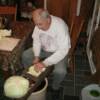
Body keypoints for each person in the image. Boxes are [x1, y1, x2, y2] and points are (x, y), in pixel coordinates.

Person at [22, 8, 71, 92]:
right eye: (36, 24)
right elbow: (36, 41)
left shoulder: (60, 26)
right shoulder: (39, 24)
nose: (38, 27)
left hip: (58, 51)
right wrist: (37, 56)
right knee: (25, 55)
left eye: (40, 24)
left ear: (48, 20)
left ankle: (55, 87)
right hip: (44, 49)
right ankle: (32, 77)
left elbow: (63, 50)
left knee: (60, 71)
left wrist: (45, 63)